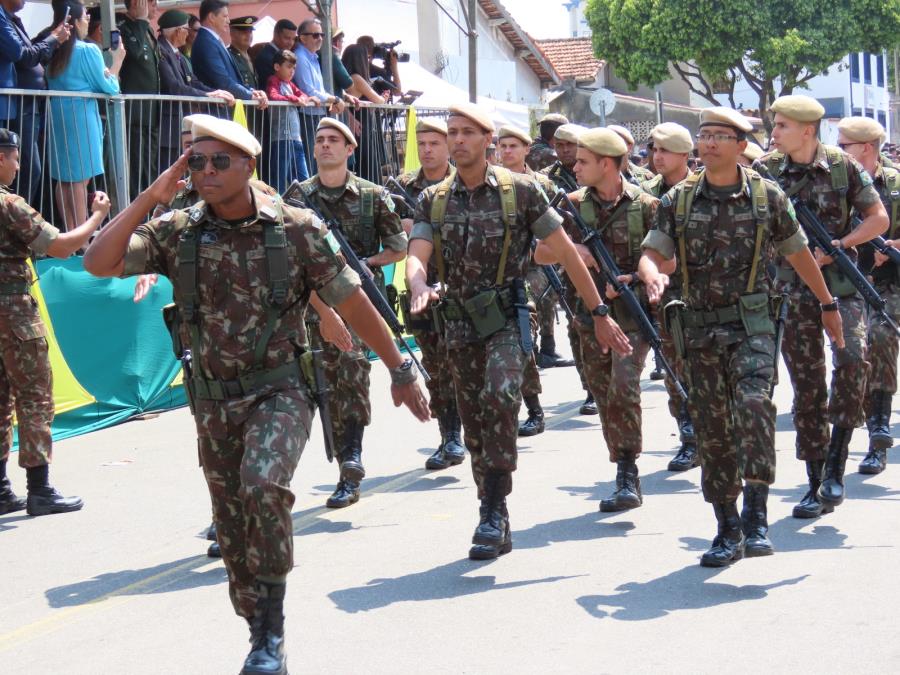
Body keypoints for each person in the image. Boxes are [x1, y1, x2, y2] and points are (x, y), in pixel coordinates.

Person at [83, 115, 429, 675]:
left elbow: (353, 299)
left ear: (250, 165)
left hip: (281, 390)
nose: (207, 172)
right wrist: (153, 194)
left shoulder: (295, 227)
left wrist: (398, 367)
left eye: (220, 161)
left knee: (263, 486)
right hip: (213, 400)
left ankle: (271, 633)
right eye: (196, 162)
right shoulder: (177, 230)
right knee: (234, 527)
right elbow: (98, 261)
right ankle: (258, 628)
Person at [406, 103, 633, 560]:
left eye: (467, 132)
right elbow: (418, 251)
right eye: (452, 133)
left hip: (508, 316)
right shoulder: (435, 198)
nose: (458, 141)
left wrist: (599, 312)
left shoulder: (522, 191)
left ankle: (494, 504)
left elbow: (567, 254)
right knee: (474, 420)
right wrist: (417, 285)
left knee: (502, 394)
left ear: (486, 139)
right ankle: (491, 507)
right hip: (458, 321)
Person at [638, 106, 845, 566]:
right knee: (713, 430)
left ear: (739, 145)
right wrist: (652, 274)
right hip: (699, 329)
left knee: (754, 406)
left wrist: (828, 304)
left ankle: (755, 516)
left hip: (752, 325)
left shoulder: (766, 197)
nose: (708, 143)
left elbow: (798, 254)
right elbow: (653, 251)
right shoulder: (680, 200)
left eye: (718, 136)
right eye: (704, 135)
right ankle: (726, 527)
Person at [759, 94, 888, 518]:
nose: (773, 132)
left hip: (842, 286)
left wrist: (840, 245)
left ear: (807, 130)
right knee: (807, 384)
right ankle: (816, 483)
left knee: (854, 361)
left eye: (781, 126)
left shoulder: (841, 166)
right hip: (791, 291)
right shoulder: (765, 171)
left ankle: (837, 457)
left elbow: (878, 219)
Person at [536, 127, 660, 512]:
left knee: (624, 386)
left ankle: (627, 470)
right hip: (589, 316)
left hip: (633, 315)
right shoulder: (571, 205)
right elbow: (540, 253)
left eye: (584, 161)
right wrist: (573, 251)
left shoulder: (647, 206)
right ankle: (621, 458)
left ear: (607, 164)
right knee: (604, 393)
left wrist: (638, 275)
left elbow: (666, 257)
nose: (575, 166)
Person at [296, 117, 407, 509]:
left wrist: (366, 261)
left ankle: (351, 459)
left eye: (334, 140)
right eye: (320, 140)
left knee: (353, 372)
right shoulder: (296, 196)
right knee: (319, 386)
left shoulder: (373, 196)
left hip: (358, 302)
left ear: (349, 149)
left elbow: (399, 246)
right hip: (312, 306)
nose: (325, 145)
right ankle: (337, 461)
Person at [0, 128, 111, 517]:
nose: (18, 164)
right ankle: (39, 489)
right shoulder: (9, 204)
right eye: (14, 157)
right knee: (34, 398)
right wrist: (96, 215)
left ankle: (0, 489)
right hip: (13, 311)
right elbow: (61, 246)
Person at [394, 118, 465, 470]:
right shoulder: (402, 187)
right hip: (423, 289)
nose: (426, 149)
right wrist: (404, 230)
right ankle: (449, 436)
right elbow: (392, 236)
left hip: (464, 286)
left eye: (434, 143)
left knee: (466, 365)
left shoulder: (464, 183)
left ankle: (477, 428)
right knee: (436, 365)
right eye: (421, 143)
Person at [836, 116, 900, 474]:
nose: (838, 151)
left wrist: (892, 244)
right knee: (850, 355)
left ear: (866, 148)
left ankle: (879, 429)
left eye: (844, 146)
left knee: (881, 336)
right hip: (847, 281)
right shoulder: (836, 185)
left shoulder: (894, 185)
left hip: (889, 282)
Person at [496, 124, 566, 437]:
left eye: (514, 145)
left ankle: (533, 409)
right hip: (501, 273)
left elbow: (559, 234)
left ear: (527, 149)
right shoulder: (489, 184)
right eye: (503, 145)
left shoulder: (543, 185)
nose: (507, 151)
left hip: (537, 270)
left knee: (525, 339)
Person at [640, 122, 698, 472]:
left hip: (706, 292)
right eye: (653, 150)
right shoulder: (646, 194)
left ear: (685, 155)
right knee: (675, 369)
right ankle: (689, 437)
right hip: (666, 294)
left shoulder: (703, 188)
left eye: (665, 151)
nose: (656, 157)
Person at [46, 2, 123, 232]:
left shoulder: (54, 48)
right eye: (86, 16)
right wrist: (117, 62)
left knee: (66, 178)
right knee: (80, 178)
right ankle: (81, 235)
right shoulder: (88, 50)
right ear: (77, 21)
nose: (88, 20)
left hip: (60, 115)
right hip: (81, 117)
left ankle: (72, 231)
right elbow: (109, 87)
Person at [541, 123, 596, 415]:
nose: (563, 150)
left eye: (569, 145)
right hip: (568, 262)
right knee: (579, 327)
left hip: (605, 262)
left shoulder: (597, 171)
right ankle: (590, 388)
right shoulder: (549, 181)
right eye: (559, 145)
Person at [0, 0, 70, 206]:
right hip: (11, 106)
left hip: (17, 106)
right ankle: (16, 226)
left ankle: (17, 225)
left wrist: (53, 41)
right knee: (26, 169)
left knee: (25, 170)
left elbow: (30, 55)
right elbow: (23, 55)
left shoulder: (11, 18)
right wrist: (54, 38)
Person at [157, 9, 234, 173]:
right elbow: (174, 87)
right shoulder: (161, 51)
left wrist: (215, 93)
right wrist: (207, 95)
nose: (188, 34)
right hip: (168, 126)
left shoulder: (179, 55)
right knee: (170, 172)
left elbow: (194, 82)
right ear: (178, 31)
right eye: (187, 29)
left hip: (178, 123)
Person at [119, 0, 161, 199]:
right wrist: (141, 21)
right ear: (137, 3)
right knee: (136, 169)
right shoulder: (124, 28)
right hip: (135, 113)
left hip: (150, 112)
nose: (155, 8)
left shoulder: (148, 30)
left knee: (149, 168)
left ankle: (150, 210)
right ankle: (138, 212)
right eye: (151, 3)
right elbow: (135, 54)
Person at [191, 0, 267, 106]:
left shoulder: (213, 40)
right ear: (212, 17)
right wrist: (250, 96)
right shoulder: (206, 42)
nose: (228, 21)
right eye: (225, 16)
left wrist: (252, 91)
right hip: (215, 111)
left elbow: (232, 79)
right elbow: (223, 81)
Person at [293, 18, 345, 173]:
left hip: (316, 114)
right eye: (315, 35)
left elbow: (319, 90)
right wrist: (334, 99)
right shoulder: (301, 57)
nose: (320, 38)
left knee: (317, 159)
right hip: (307, 115)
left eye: (321, 34)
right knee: (312, 159)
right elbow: (309, 91)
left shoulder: (312, 57)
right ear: (303, 37)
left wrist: (338, 98)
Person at [264, 49, 313, 192]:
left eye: (294, 68)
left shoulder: (290, 84)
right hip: (281, 138)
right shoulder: (274, 80)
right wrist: (293, 99)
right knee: (279, 180)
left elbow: (301, 94)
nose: (292, 71)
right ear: (277, 67)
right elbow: (273, 96)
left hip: (295, 138)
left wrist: (308, 98)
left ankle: (306, 207)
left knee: (304, 179)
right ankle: (278, 208)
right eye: (288, 67)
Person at [253, 18, 295, 86]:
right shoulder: (266, 58)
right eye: (287, 38)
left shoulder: (285, 55)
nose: (291, 43)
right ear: (276, 35)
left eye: (293, 39)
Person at [227, 16, 257, 91]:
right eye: (244, 32)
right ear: (232, 34)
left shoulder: (253, 55)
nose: (248, 35)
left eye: (250, 32)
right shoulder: (228, 56)